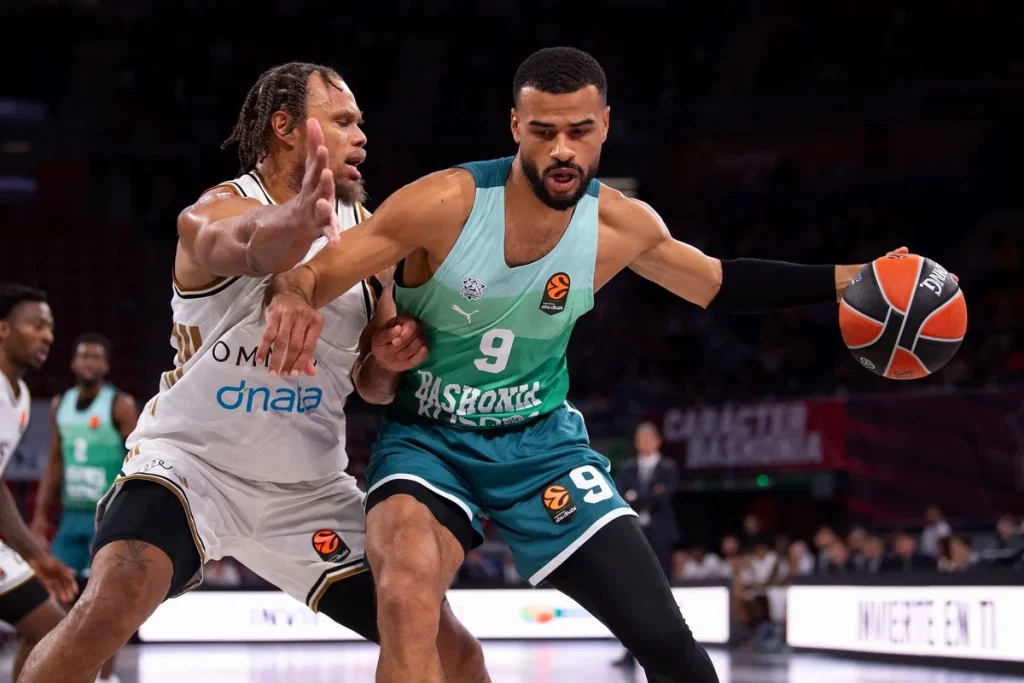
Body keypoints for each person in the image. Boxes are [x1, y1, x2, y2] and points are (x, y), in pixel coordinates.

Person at [258, 47, 897, 683]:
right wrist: (289, 298)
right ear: (516, 128)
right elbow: (310, 273)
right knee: (403, 597)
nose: (562, 148)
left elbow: (720, 284)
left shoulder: (622, 225)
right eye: (543, 132)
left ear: (606, 127)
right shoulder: (444, 202)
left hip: (540, 447)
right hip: (428, 441)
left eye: (579, 131)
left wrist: (855, 279)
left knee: (666, 642)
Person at [19, 63, 485, 683]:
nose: (361, 136)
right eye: (343, 121)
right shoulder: (214, 211)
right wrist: (301, 218)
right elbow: (250, 244)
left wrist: (392, 358)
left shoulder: (368, 242)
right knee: (113, 601)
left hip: (307, 488)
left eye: (361, 124)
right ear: (286, 127)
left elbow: (373, 386)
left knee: (452, 652)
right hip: (190, 469)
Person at [31, 334, 139, 683]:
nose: (89, 362)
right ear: (74, 364)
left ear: (106, 366)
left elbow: (140, 461)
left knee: (104, 608)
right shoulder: (59, 404)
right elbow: (54, 463)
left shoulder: (119, 405)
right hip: (71, 517)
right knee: (58, 606)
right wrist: (39, 517)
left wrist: (132, 516)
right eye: (83, 357)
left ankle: (104, 679)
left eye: (96, 357)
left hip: (107, 517)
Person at [0, 284, 78, 680]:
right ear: (3, 329)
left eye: (50, 327)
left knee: (56, 630)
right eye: (37, 325)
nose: (48, 335)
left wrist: (36, 555)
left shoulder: (22, 397)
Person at [612, 421, 678, 670]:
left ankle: (668, 650)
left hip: (660, 538)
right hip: (634, 536)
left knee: (662, 594)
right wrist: (647, 496)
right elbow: (620, 496)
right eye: (641, 438)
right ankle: (632, 652)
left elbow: (662, 497)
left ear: (658, 441)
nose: (645, 442)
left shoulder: (668, 468)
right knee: (631, 595)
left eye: (650, 437)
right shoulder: (628, 468)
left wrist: (637, 497)